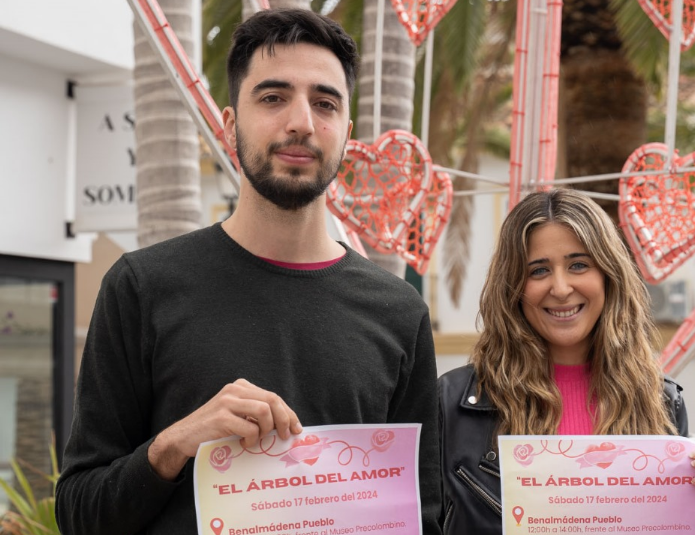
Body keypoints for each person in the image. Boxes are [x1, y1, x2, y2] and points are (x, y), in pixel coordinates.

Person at [55, 9, 441, 535]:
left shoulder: (399, 312)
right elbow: (79, 513)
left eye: (324, 103)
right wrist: (175, 444)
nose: (301, 121)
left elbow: (425, 514)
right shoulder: (142, 287)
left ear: (346, 134)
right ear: (232, 124)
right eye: (273, 97)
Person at [438, 188, 695, 535]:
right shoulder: (453, 403)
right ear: (512, 287)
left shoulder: (662, 401)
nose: (560, 288)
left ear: (609, 276)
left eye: (578, 265)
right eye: (538, 270)